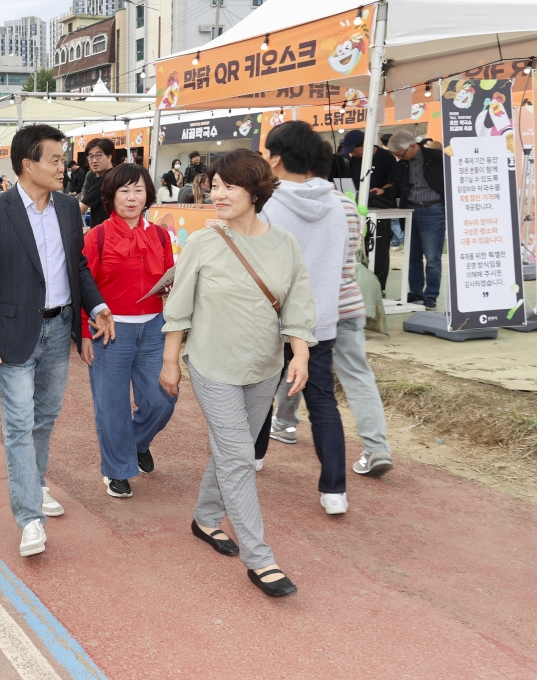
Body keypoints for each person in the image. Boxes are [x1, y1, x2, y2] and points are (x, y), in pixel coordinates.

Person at [159, 149, 315, 598]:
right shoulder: (204, 243)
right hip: (213, 366)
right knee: (238, 458)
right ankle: (260, 558)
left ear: (255, 190)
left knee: (236, 451)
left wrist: (299, 354)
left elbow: (298, 304)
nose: (217, 192)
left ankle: (207, 518)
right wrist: (171, 361)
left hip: (264, 367)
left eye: (229, 185)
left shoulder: (284, 243)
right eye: (214, 184)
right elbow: (180, 308)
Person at [0, 124, 116, 558]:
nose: (64, 166)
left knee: (44, 418)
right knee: (17, 427)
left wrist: (98, 307)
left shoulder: (69, 208)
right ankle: (29, 518)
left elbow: (79, 269)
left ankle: (36, 482)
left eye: (63, 157)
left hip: (59, 328)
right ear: (27, 164)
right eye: (54, 159)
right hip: (12, 334)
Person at [261, 143, 394, 477]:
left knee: (294, 364)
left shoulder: (278, 205)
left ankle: (285, 423)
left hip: (304, 308)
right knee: (354, 375)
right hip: (346, 304)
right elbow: (351, 257)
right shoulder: (346, 205)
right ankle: (376, 448)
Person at [258, 121, 351, 515]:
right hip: (321, 320)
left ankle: (254, 456)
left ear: (276, 158)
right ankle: (334, 491)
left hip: (274, 320)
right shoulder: (337, 202)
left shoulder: (268, 205)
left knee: (260, 392)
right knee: (323, 402)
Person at [81, 164, 176, 498]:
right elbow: (82, 285)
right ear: (111, 196)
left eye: (138, 190)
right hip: (110, 331)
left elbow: (168, 278)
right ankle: (117, 469)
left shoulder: (161, 235)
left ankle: (136, 442)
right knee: (112, 406)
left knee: (163, 399)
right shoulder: (98, 236)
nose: (132, 198)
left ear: (148, 193)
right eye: (124, 191)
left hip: (154, 329)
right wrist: (83, 334)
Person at [390, 132, 445, 310]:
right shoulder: (403, 164)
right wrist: (385, 191)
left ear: (412, 146)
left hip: (432, 210)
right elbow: (400, 186)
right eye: (396, 155)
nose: (399, 158)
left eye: (401, 154)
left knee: (432, 257)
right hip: (410, 210)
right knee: (412, 256)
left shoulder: (436, 157)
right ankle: (415, 291)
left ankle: (431, 295)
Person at [344, 130, 397, 290]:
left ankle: (379, 287)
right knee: (357, 248)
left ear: (365, 145)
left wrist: (381, 190)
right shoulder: (352, 160)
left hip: (379, 210)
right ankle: (359, 286)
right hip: (356, 210)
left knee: (379, 249)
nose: (352, 153)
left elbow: (393, 182)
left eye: (354, 149)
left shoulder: (385, 158)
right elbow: (347, 183)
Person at [78, 137, 114, 229]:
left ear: (109, 157)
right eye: (91, 156)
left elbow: (79, 209)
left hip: (105, 236)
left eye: (99, 155)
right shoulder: (114, 175)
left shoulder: (105, 179)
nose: (94, 160)